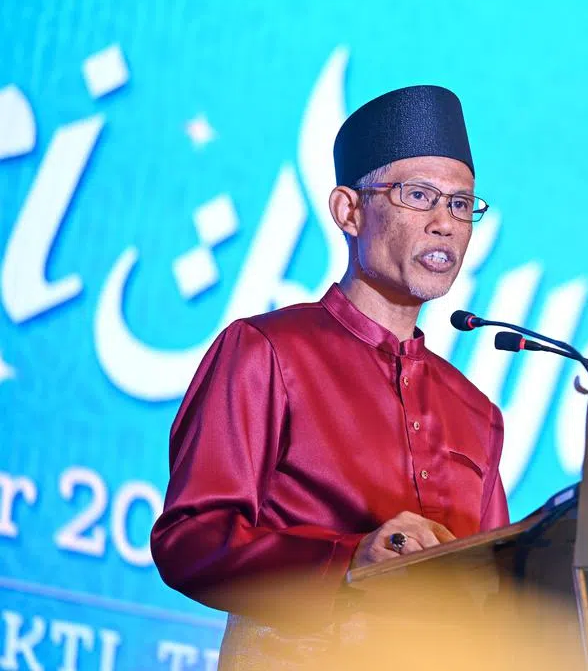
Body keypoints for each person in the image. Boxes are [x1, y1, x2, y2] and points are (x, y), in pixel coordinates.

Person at [150, 85, 509, 666]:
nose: (445, 223)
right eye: (419, 195)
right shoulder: (266, 351)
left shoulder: (475, 412)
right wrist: (346, 565)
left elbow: (499, 595)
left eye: (461, 204)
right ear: (349, 210)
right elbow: (190, 540)